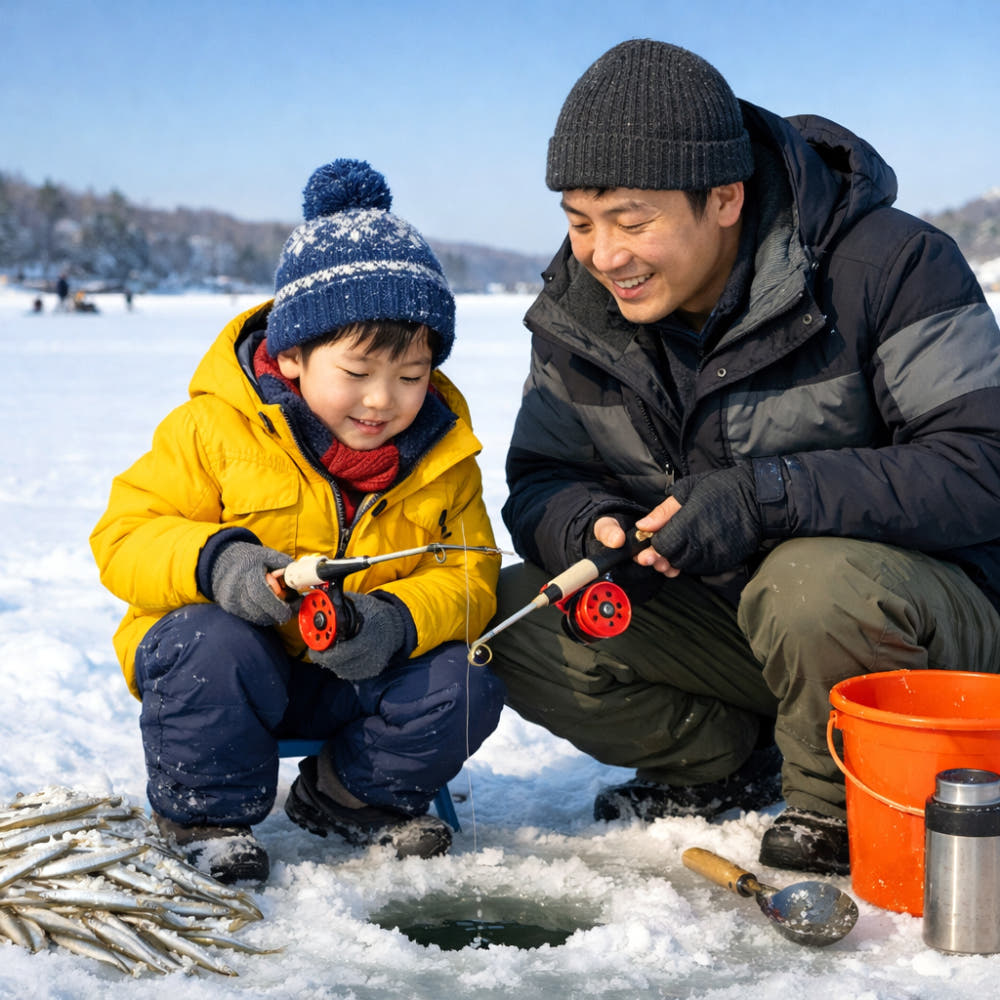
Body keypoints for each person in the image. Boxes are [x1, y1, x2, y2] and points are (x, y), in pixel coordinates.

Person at [486, 39, 1000, 876]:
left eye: (632, 219)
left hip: (927, 637)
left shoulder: (891, 265)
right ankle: (719, 762)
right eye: (581, 222)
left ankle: (841, 804)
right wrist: (594, 530)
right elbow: (544, 477)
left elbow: (984, 465)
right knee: (519, 612)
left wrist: (768, 497)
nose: (604, 254)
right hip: (741, 630)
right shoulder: (579, 316)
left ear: (724, 198)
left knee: (811, 579)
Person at [91, 159, 505, 884]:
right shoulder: (212, 429)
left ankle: (351, 796)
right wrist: (220, 565)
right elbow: (126, 535)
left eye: (410, 377)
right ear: (291, 355)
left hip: (357, 674)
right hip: (236, 669)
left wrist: (395, 622)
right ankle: (206, 815)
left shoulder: (445, 457)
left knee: (466, 677)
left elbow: (471, 574)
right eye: (357, 373)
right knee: (207, 641)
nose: (383, 401)